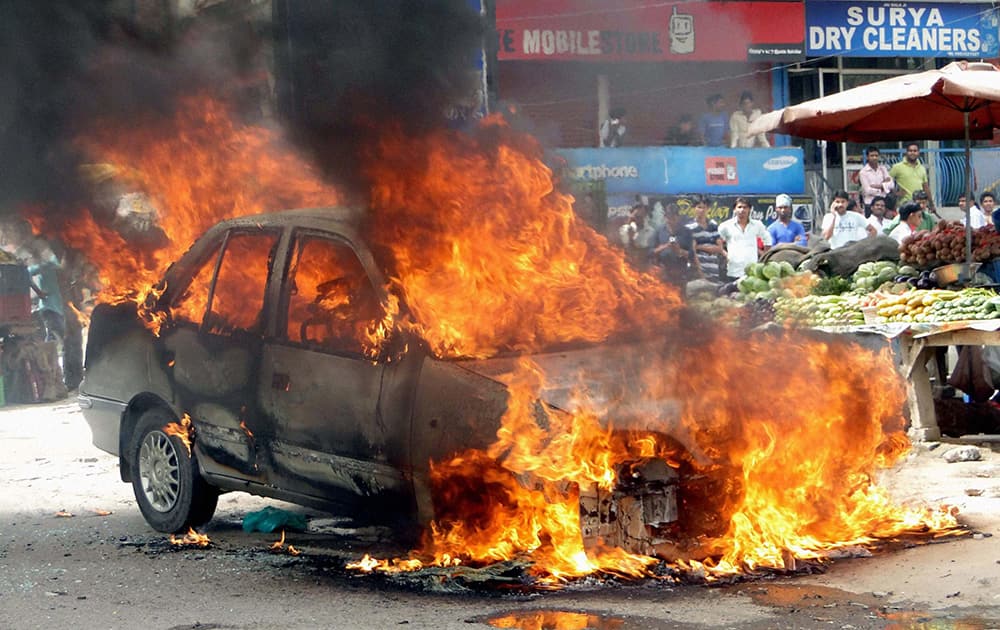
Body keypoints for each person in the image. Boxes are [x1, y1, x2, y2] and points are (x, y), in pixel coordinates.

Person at [0, 218, 66, 345]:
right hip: (49, 307)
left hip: (55, 307)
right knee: (54, 336)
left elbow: (26, 274)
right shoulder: (42, 266)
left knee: (57, 335)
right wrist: (38, 292)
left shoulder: (50, 264)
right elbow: (26, 275)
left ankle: (51, 354)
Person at [718, 197, 772, 279]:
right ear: (734, 209)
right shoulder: (726, 226)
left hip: (752, 272)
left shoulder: (757, 225)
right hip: (733, 271)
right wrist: (725, 254)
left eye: (745, 207)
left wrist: (765, 257)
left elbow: (767, 239)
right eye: (739, 207)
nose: (742, 210)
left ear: (750, 209)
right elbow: (717, 241)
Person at [651, 203, 700, 286]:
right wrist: (665, 246)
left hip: (681, 276)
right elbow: (650, 252)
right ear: (665, 217)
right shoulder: (659, 231)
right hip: (662, 276)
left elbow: (693, 254)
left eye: (673, 217)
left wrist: (680, 251)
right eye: (668, 217)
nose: (670, 220)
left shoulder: (686, 232)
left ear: (678, 217)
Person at [889, 142, 936, 215]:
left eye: (915, 151)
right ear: (906, 152)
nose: (912, 153)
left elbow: (926, 187)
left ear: (918, 152)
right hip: (904, 205)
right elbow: (886, 183)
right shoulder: (897, 167)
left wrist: (931, 204)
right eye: (910, 151)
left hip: (919, 205)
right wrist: (896, 193)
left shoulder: (922, 168)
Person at [686, 195, 726, 281]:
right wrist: (700, 273)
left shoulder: (713, 225)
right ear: (694, 208)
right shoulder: (689, 227)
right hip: (698, 274)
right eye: (699, 207)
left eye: (704, 207)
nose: (702, 210)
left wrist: (699, 247)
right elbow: (692, 253)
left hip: (714, 270)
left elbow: (719, 248)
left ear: (708, 209)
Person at [857, 146, 895, 211]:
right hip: (870, 204)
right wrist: (883, 189)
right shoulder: (863, 172)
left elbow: (892, 185)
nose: (874, 158)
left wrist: (879, 186)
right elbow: (868, 190)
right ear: (867, 157)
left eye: (876, 155)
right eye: (872, 156)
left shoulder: (883, 169)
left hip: (884, 203)